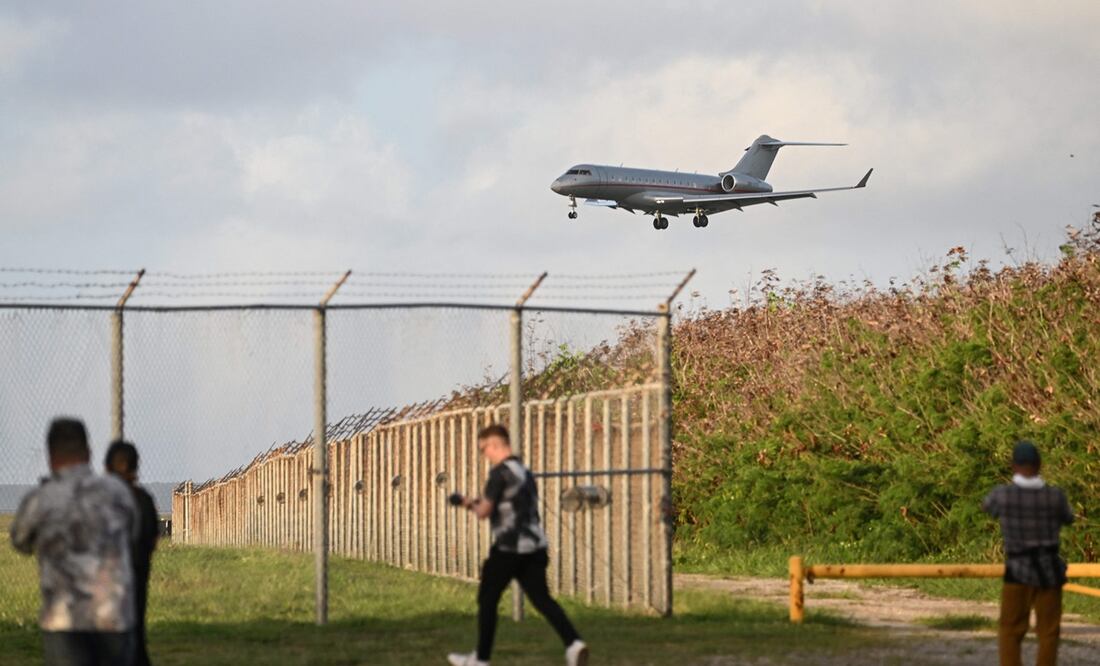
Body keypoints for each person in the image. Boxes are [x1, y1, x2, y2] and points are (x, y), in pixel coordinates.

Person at [447, 424, 588, 666]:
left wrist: (464, 502)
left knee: (488, 599)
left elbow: (485, 511)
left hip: (509, 548)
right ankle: (574, 643)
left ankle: (481, 660)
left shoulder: (499, 473)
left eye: (484, 450)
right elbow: (508, 505)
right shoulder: (523, 471)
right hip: (535, 546)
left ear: (494, 444)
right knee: (542, 599)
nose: (485, 455)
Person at [9, 418, 139, 666]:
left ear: (50, 456)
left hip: (64, 619)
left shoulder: (40, 500)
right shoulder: (117, 492)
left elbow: (20, 541)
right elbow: (131, 532)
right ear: (89, 452)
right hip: (113, 616)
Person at [982, 440, 1075, 666]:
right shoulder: (1055, 496)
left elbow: (987, 508)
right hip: (1049, 570)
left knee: (1010, 630)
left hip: (1018, 569)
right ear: (1039, 464)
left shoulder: (1002, 495)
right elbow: (1068, 518)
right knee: (1049, 631)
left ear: (1013, 465)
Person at [105, 440, 159, 666]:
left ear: (108, 468)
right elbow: (152, 539)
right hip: (137, 579)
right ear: (136, 467)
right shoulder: (144, 500)